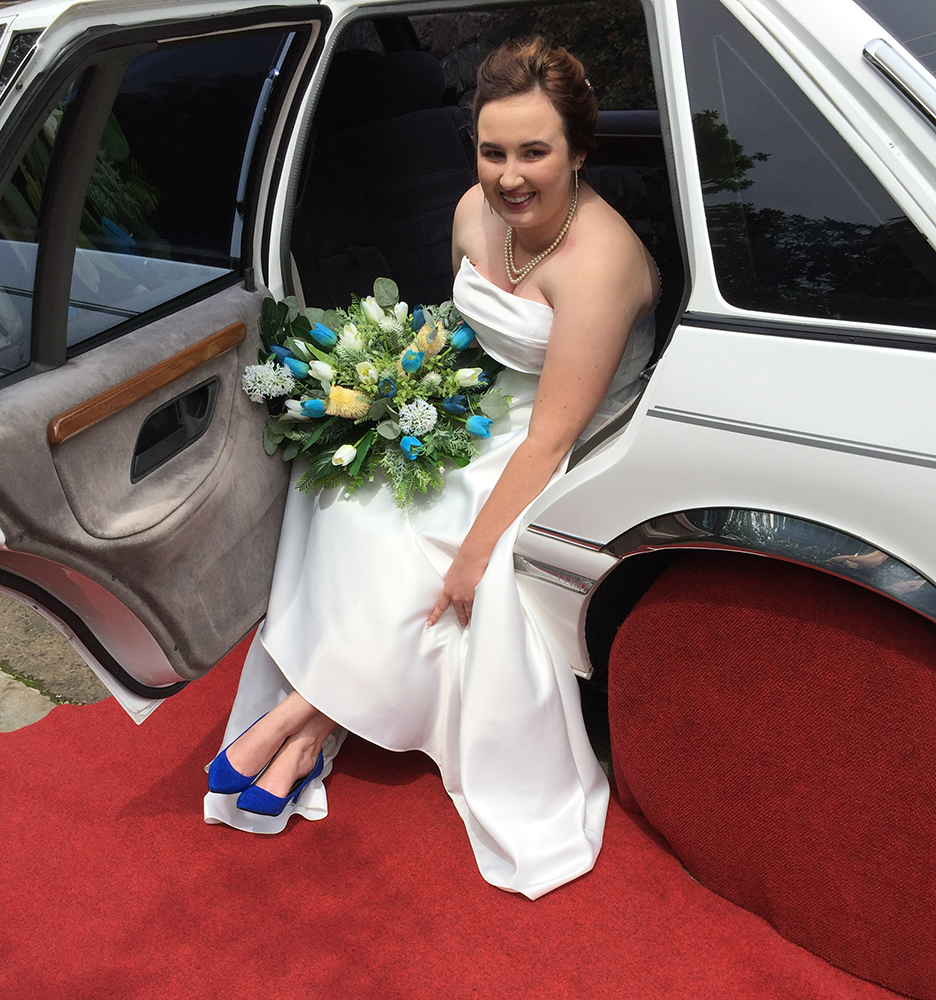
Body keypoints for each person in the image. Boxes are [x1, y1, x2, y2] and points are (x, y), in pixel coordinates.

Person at [203, 37, 659, 899]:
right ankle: (308, 728)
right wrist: (390, 391)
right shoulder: (470, 213)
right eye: (494, 152)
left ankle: (302, 716)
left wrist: (476, 554)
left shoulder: (601, 261)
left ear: (580, 150)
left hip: (567, 439)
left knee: (450, 558)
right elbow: (459, 338)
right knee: (343, 488)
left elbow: (553, 438)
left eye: (535, 152)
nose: (510, 176)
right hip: (481, 413)